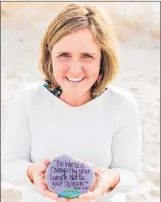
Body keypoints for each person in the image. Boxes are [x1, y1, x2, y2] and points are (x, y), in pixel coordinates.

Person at [2, 3, 142, 202]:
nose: (75, 69)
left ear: (103, 59)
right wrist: (33, 173)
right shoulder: (27, 99)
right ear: (50, 56)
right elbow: (9, 167)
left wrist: (107, 179)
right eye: (64, 55)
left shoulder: (123, 105)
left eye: (87, 56)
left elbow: (131, 174)